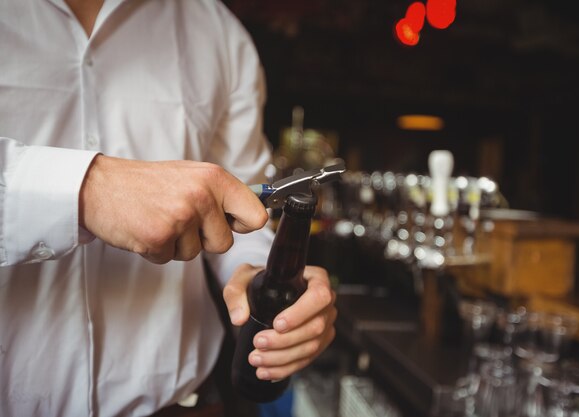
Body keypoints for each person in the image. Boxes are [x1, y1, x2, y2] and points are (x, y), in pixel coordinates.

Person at [0, 0, 337, 416]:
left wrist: (256, 275)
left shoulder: (218, 32)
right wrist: (87, 188)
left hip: (185, 405)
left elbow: (242, 216)